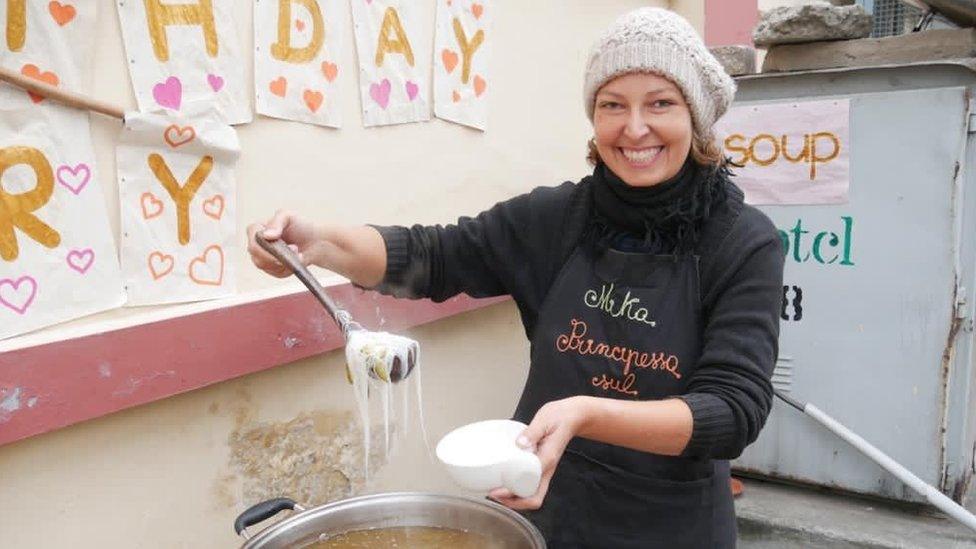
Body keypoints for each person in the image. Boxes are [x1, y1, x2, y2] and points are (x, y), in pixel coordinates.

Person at [247, 7, 784, 548]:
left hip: (670, 524)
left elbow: (732, 411)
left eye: (660, 103)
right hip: (543, 510)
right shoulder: (556, 220)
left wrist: (585, 413)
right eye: (612, 105)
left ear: (695, 115)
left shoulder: (741, 242)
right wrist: (318, 243)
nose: (634, 127)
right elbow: (434, 254)